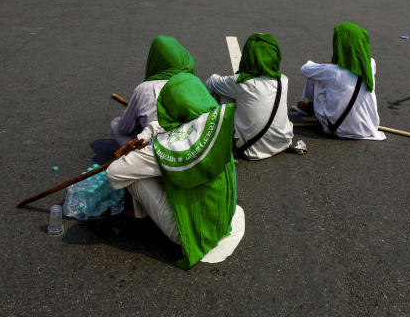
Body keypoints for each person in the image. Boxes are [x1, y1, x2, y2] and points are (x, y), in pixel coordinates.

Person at [106, 73, 245, 268]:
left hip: (192, 233)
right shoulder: (216, 125)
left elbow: (114, 173)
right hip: (222, 218)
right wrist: (149, 132)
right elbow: (164, 126)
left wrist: (142, 149)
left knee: (133, 177)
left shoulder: (169, 147)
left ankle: (146, 219)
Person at [205, 33, 294, 160]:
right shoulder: (283, 80)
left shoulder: (243, 83)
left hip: (251, 150)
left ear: (248, 56)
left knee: (223, 92)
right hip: (283, 143)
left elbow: (211, 82)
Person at [297, 22, 385, 140]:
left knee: (316, 75)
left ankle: (311, 107)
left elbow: (304, 69)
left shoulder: (332, 71)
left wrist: (324, 66)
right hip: (368, 127)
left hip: (337, 128)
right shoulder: (370, 63)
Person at [110, 35, 196, 146]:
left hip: (158, 152)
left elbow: (125, 129)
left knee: (115, 123)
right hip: (192, 147)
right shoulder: (193, 83)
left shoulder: (144, 89)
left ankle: (134, 153)